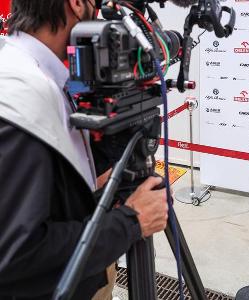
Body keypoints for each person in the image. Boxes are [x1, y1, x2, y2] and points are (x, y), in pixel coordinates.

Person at [0, 1, 168, 299]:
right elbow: (15, 252)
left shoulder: (29, 71)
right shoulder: (21, 92)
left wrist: (84, 188)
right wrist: (132, 222)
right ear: (77, 4)